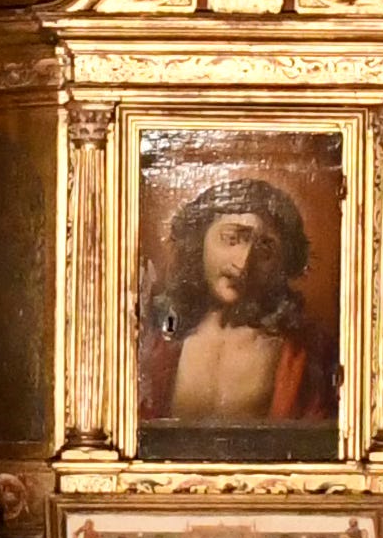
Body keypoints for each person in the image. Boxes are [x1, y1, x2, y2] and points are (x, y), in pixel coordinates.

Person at [136, 175, 329, 436]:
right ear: (199, 240)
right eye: (231, 238)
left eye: (265, 249)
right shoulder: (154, 335)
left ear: (283, 263)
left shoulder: (305, 351)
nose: (243, 263)